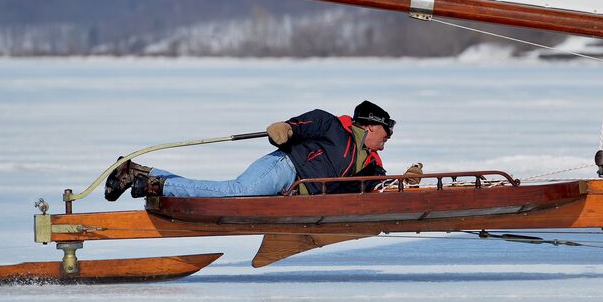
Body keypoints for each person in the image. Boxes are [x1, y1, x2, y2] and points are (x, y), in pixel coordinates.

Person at [105, 100, 412, 200]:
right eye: (388, 131)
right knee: (237, 192)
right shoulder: (332, 125)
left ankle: (142, 173)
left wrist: (406, 181)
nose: (389, 138)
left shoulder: (371, 162)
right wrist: (288, 129)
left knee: (230, 194)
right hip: (286, 168)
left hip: (295, 194)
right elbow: (305, 125)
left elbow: (377, 186)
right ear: (370, 126)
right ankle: (157, 184)